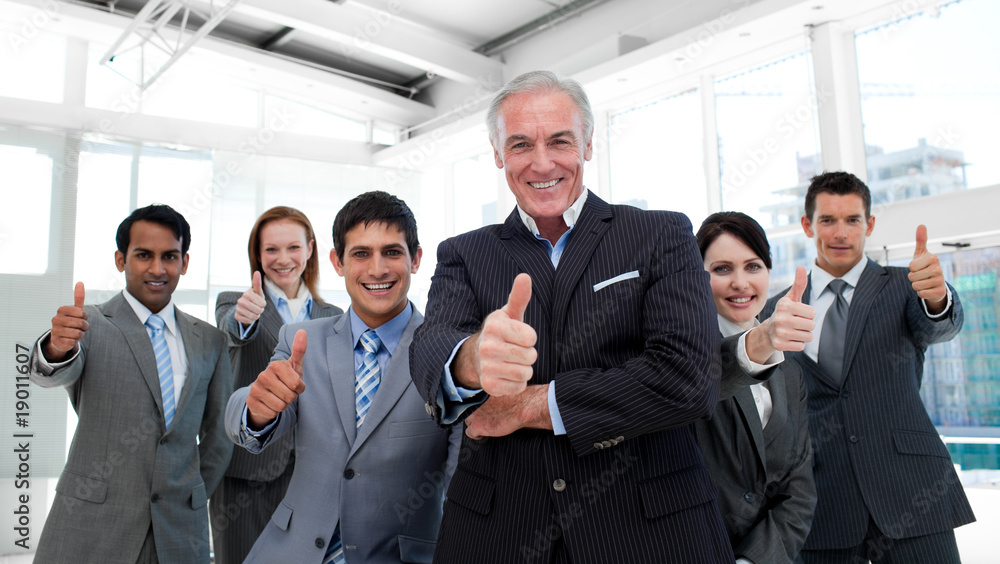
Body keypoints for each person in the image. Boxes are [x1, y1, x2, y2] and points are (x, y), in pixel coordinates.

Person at [409, 70, 733, 563]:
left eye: (559, 140)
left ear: (587, 143)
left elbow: (688, 377)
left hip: (649, 533)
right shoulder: (465, 254)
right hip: (501, 536)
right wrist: (473, 359)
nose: (542, 163)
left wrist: (527, 406)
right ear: (498, 155)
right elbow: (431, 348)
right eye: (520, 145)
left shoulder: (660, 235)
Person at [225, 191, 462, 564]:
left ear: (416, 259)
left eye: (392, 252)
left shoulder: (448, 352)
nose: (377, 269)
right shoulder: (302, 340)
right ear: (337, 261)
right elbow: (250, 415)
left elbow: (461, 479)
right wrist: (255, 408)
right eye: (361, 254)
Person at [761, 171, 975, 563]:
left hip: (913, 496)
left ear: (869, 225)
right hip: (821, 506)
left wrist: (938, 297)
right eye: (827, 220)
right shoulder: (777, 310)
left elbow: (939, 325)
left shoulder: (906, 286)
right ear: (808, 225)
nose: (840, 232)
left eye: (852, 220)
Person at [28, 204, 233, 563]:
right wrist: (56, 348)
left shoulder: (210, 341)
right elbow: (53, 370)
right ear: (121, 260)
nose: (157, 269)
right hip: (92, 528)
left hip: (179, 531)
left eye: (169, 256)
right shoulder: (88, 325)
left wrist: (187, 493)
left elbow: (219, 438)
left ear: (184, 263)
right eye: (143, 255)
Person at [210, 206, 344, 564]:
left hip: (314, 472)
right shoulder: (235, 303)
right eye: (271, 249)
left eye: (293, 248)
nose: (282, 259)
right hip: (248, 472)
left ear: (310, 249)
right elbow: (233, 330)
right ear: (257, 253)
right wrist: (244, 318)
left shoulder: (334, 316)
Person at [694, 211, 817, 564]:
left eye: (753, 266)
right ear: (697, 277)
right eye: (721, 269)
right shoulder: (680, 354)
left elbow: (799, 489)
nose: (740, 282)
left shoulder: (790, 371)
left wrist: (753, 560)